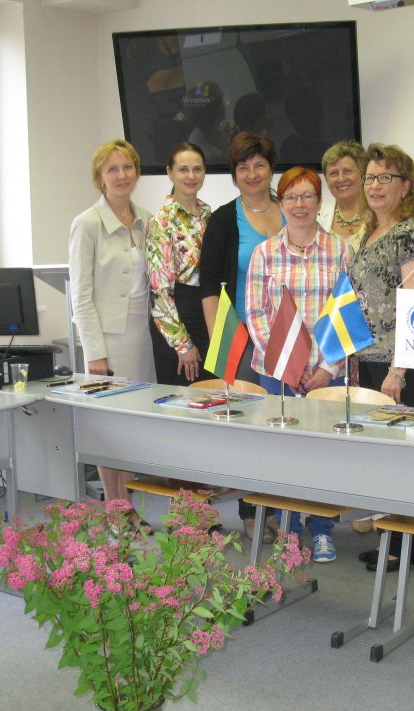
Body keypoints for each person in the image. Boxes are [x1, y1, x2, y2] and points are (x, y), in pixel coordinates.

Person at [244, 166, 350, 562]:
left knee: (325, 454)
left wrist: (326, 368)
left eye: (307, 196)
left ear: (320, 202)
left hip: (327, 372)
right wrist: (288, 363)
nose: (299, 204)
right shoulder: (264, 253)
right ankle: (288, 532)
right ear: (281, 203)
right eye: (291, 197)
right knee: (284, 453)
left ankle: (321, 530)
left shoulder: (340, 250)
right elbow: (256, 314)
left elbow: (347, 314)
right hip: (278, 373)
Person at [348, 143, 414, 572]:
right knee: (381, 456)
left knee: (401, 457)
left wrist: (399, 371)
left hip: (398, 365)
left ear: (406, 186)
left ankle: (405, 547)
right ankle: (390, 537)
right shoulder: (370, 232)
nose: (375, 185)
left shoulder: (411, 234)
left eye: (386, 177)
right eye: (370, 177)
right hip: (370, 361)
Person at [200, 131, 285, 542]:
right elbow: (208, 288)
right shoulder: (222, 220)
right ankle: (251, 511)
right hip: (242, 339)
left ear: (271, 169)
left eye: (259, 165)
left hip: (288, 338)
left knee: (284, 423)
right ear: (234, 173)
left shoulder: (292, 209)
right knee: (249, 427)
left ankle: (282, 508)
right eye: (243, 166)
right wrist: (222, 351)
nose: (252, 174)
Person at [69, 139, 155, 523]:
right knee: (109, 427)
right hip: (106, 339)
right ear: (100, 178)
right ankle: (113, 507)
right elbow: (81, 296)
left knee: (132, 426)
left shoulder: (147, 219)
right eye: (113, 169)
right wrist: (95, 352)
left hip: (141, 335)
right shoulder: (87, 223)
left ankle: (127, 505)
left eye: (128, 167)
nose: (122, 175)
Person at [145, 142, 213, 385]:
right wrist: (182, 345)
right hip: (177, 321)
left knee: (214, 395)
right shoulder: (161, 222)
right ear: (169, 172)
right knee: (184, 399)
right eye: (183, 169)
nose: (191, 176)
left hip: (207, 313)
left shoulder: (209, 215)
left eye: (197, 169)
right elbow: (159, 291)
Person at [317, 140, 368, 252]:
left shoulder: (379, 213)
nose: (341, 179)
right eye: (334, 173)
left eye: (347, 171)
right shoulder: (317, 217)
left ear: (362, 174)